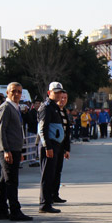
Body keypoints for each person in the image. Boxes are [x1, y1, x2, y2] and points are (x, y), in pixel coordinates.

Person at [0, 82, 32, 221]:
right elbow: (1, 130)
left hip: (15, 149)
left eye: (19, 91)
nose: (16, 94)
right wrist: (6, 149)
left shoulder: (15, 107)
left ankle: (3, 210)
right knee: (11, 180)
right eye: (13, 91)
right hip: (8, 149)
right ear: (7, 92)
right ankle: (15, 211)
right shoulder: (5, 107)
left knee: (5, 181)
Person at [37, 81, 65, 214]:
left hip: (55, 144)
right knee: (47, 175)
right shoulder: (46, 107)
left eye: (60, 92)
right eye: (56, 92)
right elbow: (43, 128)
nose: (59, 95)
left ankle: (48, 201)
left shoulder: (54, 107)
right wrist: (47, 146)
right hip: (49, 145)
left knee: (52, 175)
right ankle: (44, 204)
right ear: (49, 93)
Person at [53, 90, 71, 204]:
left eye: (65, 98)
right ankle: (48, 196)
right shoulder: (53, 111)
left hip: (61, 145)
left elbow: (67, 132)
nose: (63, 100)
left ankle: (55, 194)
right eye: (61, 97)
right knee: (51, 171)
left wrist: (67, 149)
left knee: (58, 171)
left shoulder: (64, 111)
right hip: (52, 145)